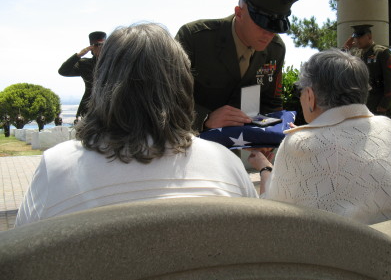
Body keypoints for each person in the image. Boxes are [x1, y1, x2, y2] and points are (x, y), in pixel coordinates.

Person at [15, 23, 258, 227]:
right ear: (182, 84)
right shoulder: (225, 163)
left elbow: (22, 256)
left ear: (104, 83)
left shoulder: (56, 167)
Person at [247, 49, 391, 225]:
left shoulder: (299, 144)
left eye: (300, 92)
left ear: (310, 96)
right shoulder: (389, 128)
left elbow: (272, 211)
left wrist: (264, 167)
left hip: (343, 250)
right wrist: (310, 134)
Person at [176, 0, 306, 131]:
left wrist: (268, 137)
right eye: (261, 25)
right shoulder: (195, 38)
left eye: (275, 28)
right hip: (185, 141)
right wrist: (204, 118)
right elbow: (167, 96)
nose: (269, 34)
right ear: (239, 13)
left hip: (234, 144)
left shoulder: (275, 49)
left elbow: (271, 103)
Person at [342, 24, 391, 115]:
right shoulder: (355, 54)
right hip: (360, 104)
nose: (357, 40)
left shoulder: (381, 53)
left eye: (360, 37)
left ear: (369, 36)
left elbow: (390, 80)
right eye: (356, 37)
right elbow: (340, 64)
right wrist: (345, 48)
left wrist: (384, 104)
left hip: (376, 103)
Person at [58, 31, 107, 119]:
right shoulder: (84, 64)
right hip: (89, 108)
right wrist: (78, 55)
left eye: (102, 45)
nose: (100, 48)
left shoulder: (114, 64)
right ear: (91, 47)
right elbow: (63, 71)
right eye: (97, 45)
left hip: (110, 107)